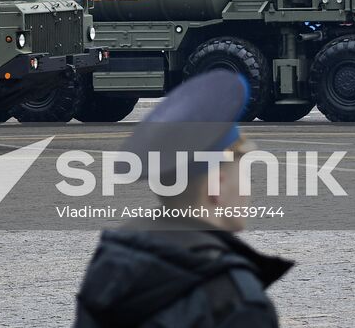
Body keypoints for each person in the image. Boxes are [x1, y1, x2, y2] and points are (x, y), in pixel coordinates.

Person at [73, 71, 293, 328]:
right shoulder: (235, 301)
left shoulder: (112, 260)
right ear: (216, 185)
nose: (248, 190)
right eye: (244, 174)